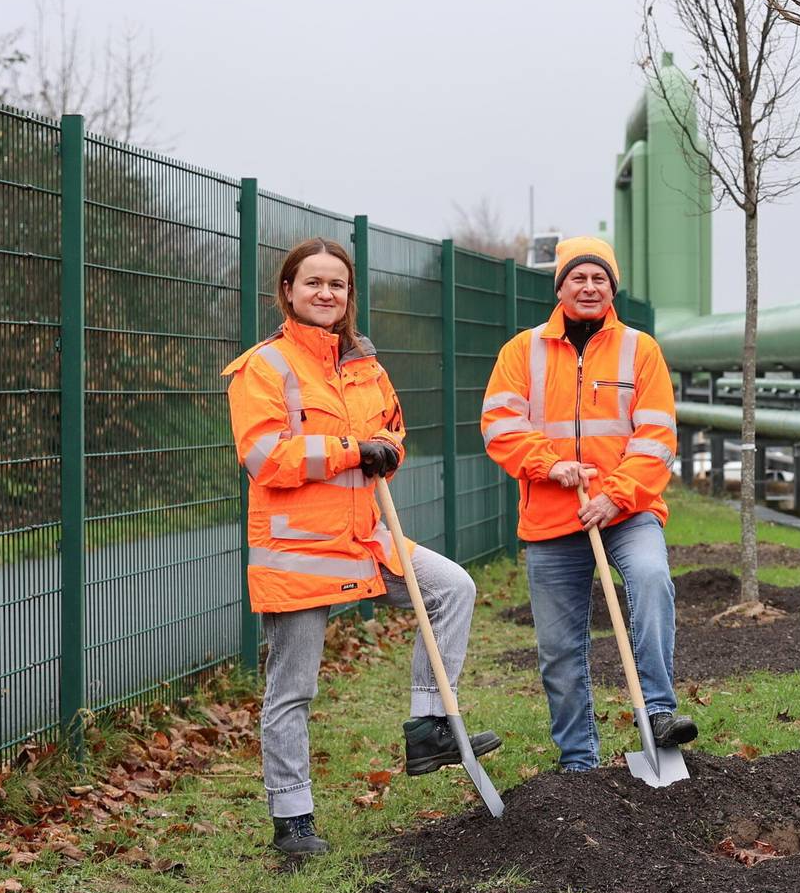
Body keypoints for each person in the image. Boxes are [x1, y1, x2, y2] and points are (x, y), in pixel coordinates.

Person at [225, 238, 499, 858]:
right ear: (288, 291)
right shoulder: (263, 368)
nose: (326, 293)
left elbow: (394, 432)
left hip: (365, 533)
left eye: (338, 285)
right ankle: (293, 820)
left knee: (451, 587)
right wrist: (354, 450)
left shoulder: (365, 367)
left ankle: (429, 727)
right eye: (313, 283)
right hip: (299, 548)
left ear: (350, 296)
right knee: (292, 688)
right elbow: (265, 458)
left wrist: (387, 450)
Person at [481, 235, 694, 772]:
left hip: (627, 512)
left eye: (600, 278)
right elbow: (499, 427)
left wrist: (614, 495)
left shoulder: (640, 350)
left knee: (650, 580)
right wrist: (550, 464)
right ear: (560, 287)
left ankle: (660, 713)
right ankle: (579, 761)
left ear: (612, 287)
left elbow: (657, 438)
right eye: (579, 277)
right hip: (551, 517)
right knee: (558, 649)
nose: (590, 286)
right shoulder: (521, 351)